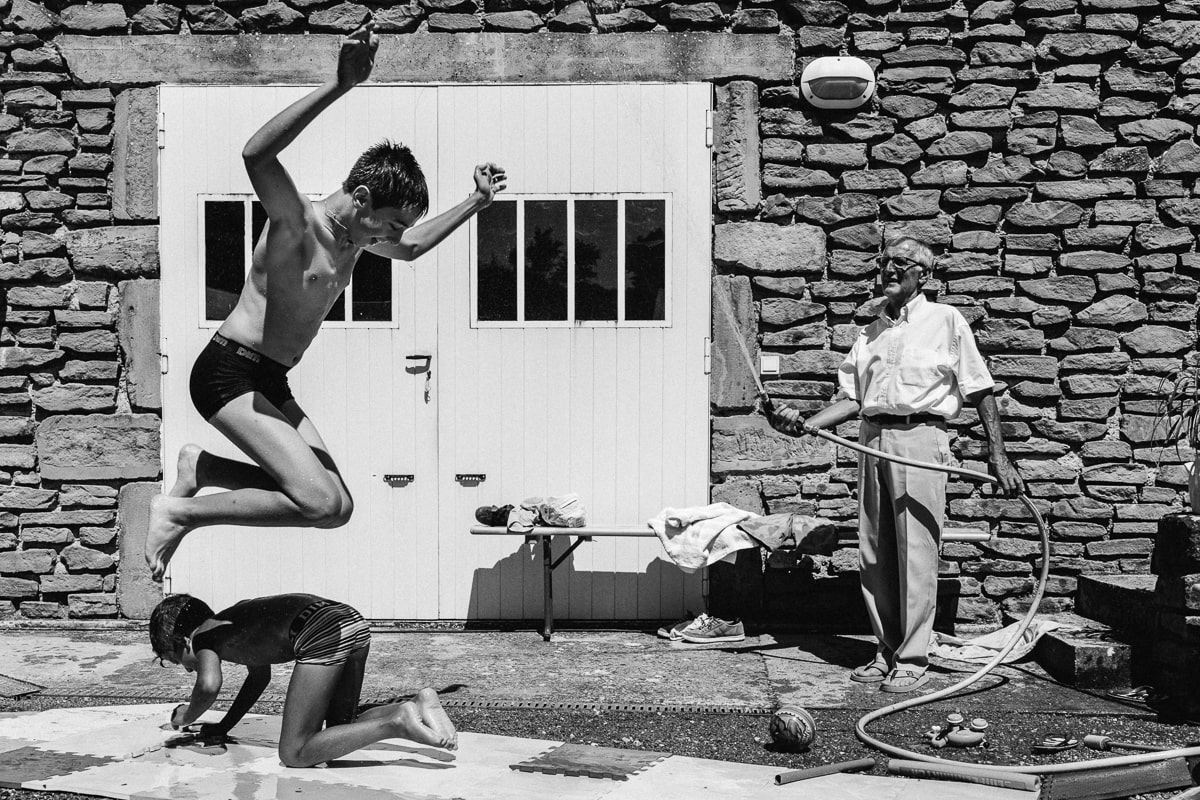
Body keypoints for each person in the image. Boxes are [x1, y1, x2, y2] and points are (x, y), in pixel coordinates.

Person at [145, 21, 507, 580]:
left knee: (335, 506)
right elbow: (256, 156)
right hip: (227, 374)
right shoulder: (299, 223)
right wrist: (339, 87)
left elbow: (411, 248)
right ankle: (181, 512)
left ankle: (202, 465)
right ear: (361, 199)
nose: (388, 237)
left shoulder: (356, 239)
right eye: (386, 224)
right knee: (313, 499)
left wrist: (475, 203)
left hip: (270, 380)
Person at [767, 235, 1024, 694]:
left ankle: (912, 656)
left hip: (920, 437)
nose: (888, 269)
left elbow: (980, 388)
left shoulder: (946, 320)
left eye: (900, 263)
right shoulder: (871, 332)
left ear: (923, 275)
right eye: (884, 261)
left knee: (916, 550)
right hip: (873, 439)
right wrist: (804, 424)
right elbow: (851, 399)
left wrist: (998, 455)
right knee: (875, 550)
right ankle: (884, 650)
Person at [149, 592, 457, 767]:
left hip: (318, 630)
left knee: (294, 753)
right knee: (341, 732)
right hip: (347, 619)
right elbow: (259, 678)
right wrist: (224, 725)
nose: (188, 669)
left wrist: (185, 716)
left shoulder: (204, 637)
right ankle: (417, 703)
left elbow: (208, 686)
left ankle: (398, 722)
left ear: (183, 641)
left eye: (178, 661)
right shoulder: (234, 621)